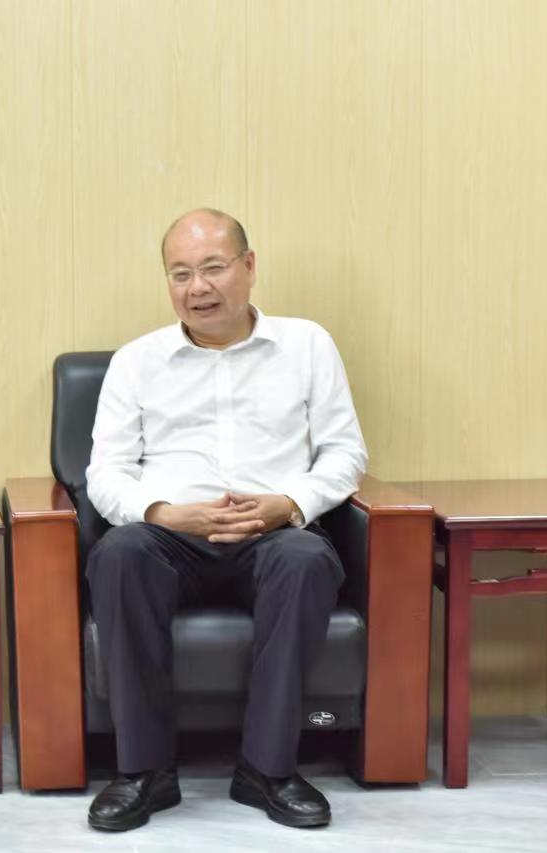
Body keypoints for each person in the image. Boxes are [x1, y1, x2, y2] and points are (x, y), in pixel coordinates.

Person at [84, 208, 366, 832]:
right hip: (170, 537)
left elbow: (345, 454)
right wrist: (163, 514)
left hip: (273, 533)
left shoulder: (307, 345)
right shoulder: (136, 361)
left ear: (250, 266)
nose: (198, 288)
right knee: (120, 553)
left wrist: (288, 505)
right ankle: (145, 772)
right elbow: (105, 473)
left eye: (213, 268)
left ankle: (267, 770)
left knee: (306, 558)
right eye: (180, 273)